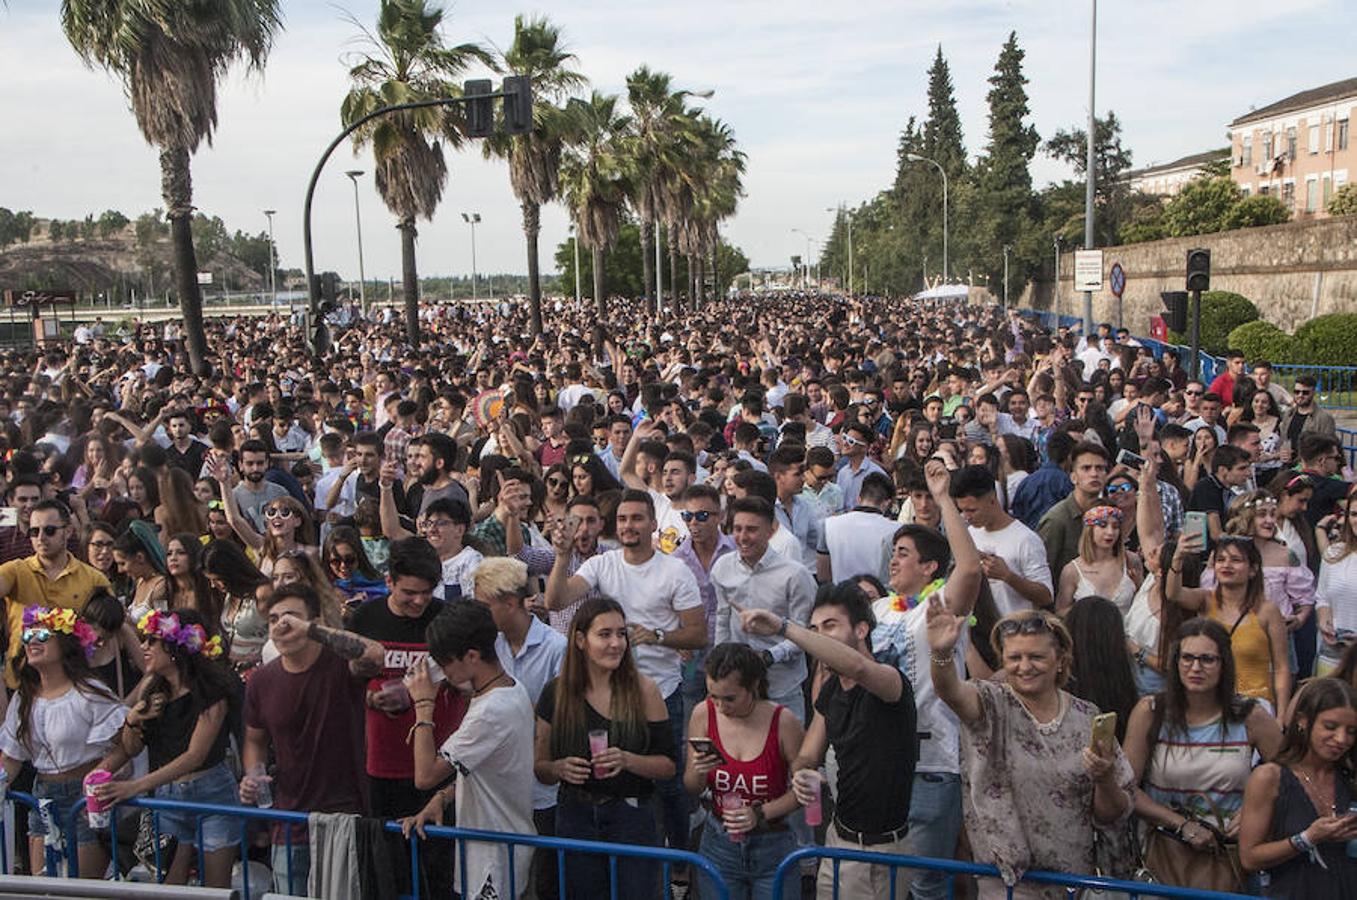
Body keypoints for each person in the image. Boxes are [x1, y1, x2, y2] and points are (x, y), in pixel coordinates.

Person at [926, 604, 1135, 899]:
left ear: (1060, 660)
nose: (1024, 667)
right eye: (1014, 658)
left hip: (1075, 884)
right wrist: (942, 653)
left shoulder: (1087, 717)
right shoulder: (991, 703)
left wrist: (1104, 778)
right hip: (1008, 883)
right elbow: (950, 691)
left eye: (1036, 656)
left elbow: (1112, 812)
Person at [545, 489, 704, 860]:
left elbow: (698, 634)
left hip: (660, 691)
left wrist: (659, 636)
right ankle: (620, 858)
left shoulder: (675, 570)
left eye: (636, 518)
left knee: (668, 784)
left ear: (652, 523)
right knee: (609, 775)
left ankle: (680, 863)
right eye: (622, 519)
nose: (628, 526)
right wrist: (561, 555)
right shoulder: (603, 564)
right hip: (605, 692)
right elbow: (556, 600)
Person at [735, 581, 917, 900]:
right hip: (837, 839)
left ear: (862, 630)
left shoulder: (889, 681)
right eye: (815, 628)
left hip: (877, 851)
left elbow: (858, 666)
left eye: (830, 626)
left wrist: (782, 627)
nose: (819, 635)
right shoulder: (832, 689)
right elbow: (808, 753)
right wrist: (803, 772)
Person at [868, 458, 983, 900]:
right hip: (880, 762)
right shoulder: (877, 610)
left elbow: (969, 570)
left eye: (903, 553)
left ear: (931, 567)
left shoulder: (935, 610)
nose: (893, 560)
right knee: (884, 879)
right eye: (892, 551)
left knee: (926, 882)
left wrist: (943, 500)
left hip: (931, 766)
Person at [240, 583, 384, 893]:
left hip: (343, 819)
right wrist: (253, 774)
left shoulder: (341, 665)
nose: (281, 625)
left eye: (290, 617)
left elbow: (374, 654)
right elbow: (254, 739)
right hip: (288, 823)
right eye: (274, 619)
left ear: (313, 622)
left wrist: (310, 629)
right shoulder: (261, 681)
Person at [534, 596, 677, 899]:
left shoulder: (644, 690)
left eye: (621, 633)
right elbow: (540, 767)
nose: (616, 643)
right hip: (575, 813)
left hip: (633, 815)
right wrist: (557, 768)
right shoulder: (556, 693)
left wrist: (628, 760)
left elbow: (669, 766)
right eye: (605, 634)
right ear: (580, 640)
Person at [1123, 618, 1282, 892]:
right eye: (1187, 658)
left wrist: (1253, 811)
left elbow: (1289, 775)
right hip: (1163, 853)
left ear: (1223, 664)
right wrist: (1180, 824)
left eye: (1207, 659)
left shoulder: (1250, 716)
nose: (1196, 668)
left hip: (1227, 858)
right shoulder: (1150, 712)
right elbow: (1126, 787)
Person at [402, 600, 537, 900]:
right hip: (498, 847)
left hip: (494, 858)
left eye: (444, 662)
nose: (441, 671)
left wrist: (424, 706)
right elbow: (480, 765)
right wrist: (443, 797)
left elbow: (424, 776)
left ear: (472, 656)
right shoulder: (510, 688)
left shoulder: (491, 711)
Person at [93, 609, 239, 887]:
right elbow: (131, 749)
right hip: (168, 798)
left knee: (215, 891)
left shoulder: (212, 690)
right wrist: (132, 723)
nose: (144, 647)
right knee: (169, 888)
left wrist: (134, 787)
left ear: (174, 648)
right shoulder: (152, 689)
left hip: (213, 795)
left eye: (151, 641)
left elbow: (195, 756)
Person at [346, 538, 468, 827]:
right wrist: (371, 699)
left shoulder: (446, 618)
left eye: (427, 593)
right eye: (409, 593)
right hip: (382, 763)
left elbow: (470, 678)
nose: (419, 601)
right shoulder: (365, 619)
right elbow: (344, 684)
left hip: (440, 763)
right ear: (389, 581)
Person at [0, 606, 124, 878]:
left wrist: (98, 776)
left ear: (66, 643)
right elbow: (11, 756)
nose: (33, 641)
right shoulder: (24, 698)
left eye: (43, 635)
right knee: (42, 888)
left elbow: (124, 745)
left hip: (84, 798)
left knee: (82, 891)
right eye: (28, 636)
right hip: (42, 796)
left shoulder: (90, 692)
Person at [683, 643, 805, 900]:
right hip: (719, 841)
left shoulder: (784, 722)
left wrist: (760, 813)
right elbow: (692, 786)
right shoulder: (703, 714)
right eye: (712, 696)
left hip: (773, 845)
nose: (720, 706)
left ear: (754, 686)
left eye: (729, 698)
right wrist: (698, 770)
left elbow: (805, 791)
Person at [1238, 677, 1357, 896]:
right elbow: (1249, 858)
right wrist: (1308, 838)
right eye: (1330, 726)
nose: (1341, 739)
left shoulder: (1349, 777)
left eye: (1351, 731)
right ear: (1303, 721)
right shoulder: (1269, 777)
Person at [712, 497, 817, 720]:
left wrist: (769, 656)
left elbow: (805, 632)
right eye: (737, 529)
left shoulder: (795, 575)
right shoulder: (722, 567)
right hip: (736, 688)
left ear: (770, 532)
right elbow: (722, 619)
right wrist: (719, 666)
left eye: (751, 530)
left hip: (782, 686)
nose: (742, 537)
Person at [1169, 536, 1291, 714]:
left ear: (1253, 570)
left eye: (1236, 560)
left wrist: (1282, 716)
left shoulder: (1268, 611)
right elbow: (1174, 594)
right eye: (1220, 560)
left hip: (1254, 706)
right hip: (1210, 703)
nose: (1226, 565)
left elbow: (1281, 667)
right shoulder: (1205, 600)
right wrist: (1178, 557)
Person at [0, 499, 112, 687]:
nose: (41, 537)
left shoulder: (94, 579)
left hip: (75, 684)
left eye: (49, 530)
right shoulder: (16, 571)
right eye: (34, 531)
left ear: (68, 531)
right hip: (22, 684)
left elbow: (112, 629)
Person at [950, 464, 1054, 615]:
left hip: (1014, 631)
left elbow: (1046, 596)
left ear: (992, 500)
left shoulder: (1026, 539)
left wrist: (1007, 576)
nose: (966, 516)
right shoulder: (969, 535)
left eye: (972, 510)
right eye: (962, 510)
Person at [1037, 441, 1110, 579]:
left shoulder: (1107, 513)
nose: (1094, 474)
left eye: (1100, 468)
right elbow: (1043, 574)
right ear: (1073, 477)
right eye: (1086, 468)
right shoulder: (1056, 519)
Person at [1054, 505, 1143, 614]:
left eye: (1115, 527)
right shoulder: (1072, 570)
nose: (1110, 532)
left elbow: (1142, 599)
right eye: (1102, 525)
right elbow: (1061, 610)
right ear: (1089, 530)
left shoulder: (1131, 561)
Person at [201, 540, 271, 676]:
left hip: (261, 672)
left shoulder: (262, 593)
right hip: (234, 672)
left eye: (217, 579)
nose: (213, 585)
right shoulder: (229, 594)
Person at [817, 472, 899, 584]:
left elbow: (823, 576)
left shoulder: (827, 526)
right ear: (887, 503)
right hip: (880, 597)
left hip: (840, 595)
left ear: (859, 499)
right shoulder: (898, 531)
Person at [1316, 485, 1357, 676]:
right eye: (1354, 514)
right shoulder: (1334, 553)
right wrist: (1324, 620)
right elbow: (1322, 597)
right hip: (1332, 651)